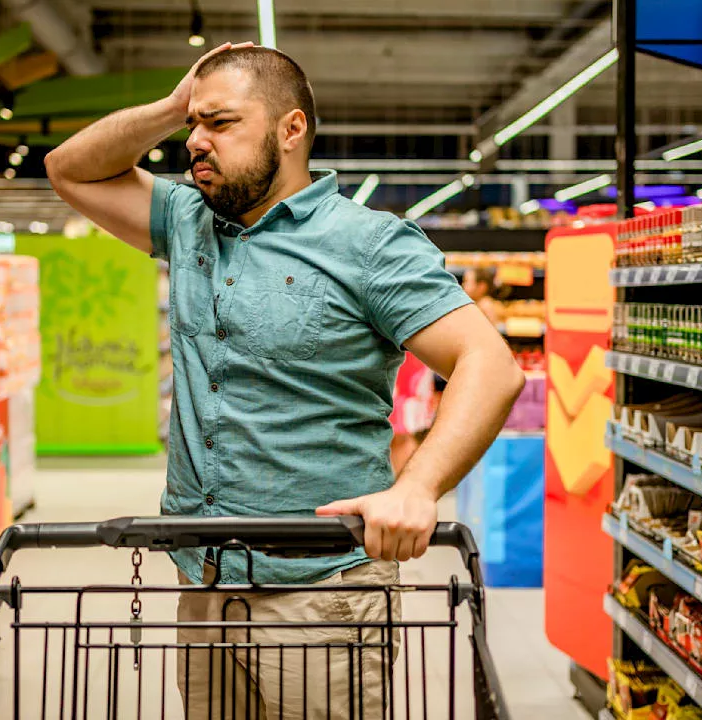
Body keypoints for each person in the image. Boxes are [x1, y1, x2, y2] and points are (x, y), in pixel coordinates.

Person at [45, 41, 525, 719]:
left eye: (221, 123)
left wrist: (417, 487)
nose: (196, 143)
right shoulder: (188, 222)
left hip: (321, 588)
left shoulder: (369, 244)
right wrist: (173, 104)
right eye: (193, 126)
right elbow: (69, 170)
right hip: (205, 578)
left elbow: (489, 364)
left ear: (290, 129)